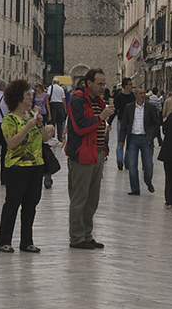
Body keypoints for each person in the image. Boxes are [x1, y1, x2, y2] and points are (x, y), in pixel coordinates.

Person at [0, 80, 54, 253]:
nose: (31, 97)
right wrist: (27, 127)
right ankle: (4, 241)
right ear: (19, 98)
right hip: (17, 167)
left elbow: (45, 138)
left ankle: (27, 241)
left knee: (30, 205)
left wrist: (40, 125)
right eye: (28, 94)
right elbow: (12, 143)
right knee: (12, 204)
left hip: (36, 166)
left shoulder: (32, 116)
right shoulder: (9, 119)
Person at [65, 69, 113, 249]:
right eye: (99, 84)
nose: (103, 87)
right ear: (89, 83)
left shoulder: (97, 102)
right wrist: (101, 117)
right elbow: (80, 128)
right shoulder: (77, 101)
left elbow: (99, 125)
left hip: (97, 153)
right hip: (82, 154)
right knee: (79, 199)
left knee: (92, 199)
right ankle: (77, 238)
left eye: (104, 84)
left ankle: (87, 234)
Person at [119, 86, 162, 195]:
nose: (143, 95)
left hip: (146, 139)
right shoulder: (129, 107)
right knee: (132, 165)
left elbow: (156, 123)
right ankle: (135, 189)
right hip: (133, 139)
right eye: (140, 93)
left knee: (148, 165)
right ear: (136, 95)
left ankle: (148, 181)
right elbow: (124, 124)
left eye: (144, 93)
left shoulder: (150, 107)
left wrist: (151, 136)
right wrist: (121, 140)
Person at [112, 77, 136, 170]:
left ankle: (127, 162)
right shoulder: (119, 97)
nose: (132, 86)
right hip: (121, 122)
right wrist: (109, 123)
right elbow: (115, 110)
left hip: (131, 123)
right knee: (120, 141)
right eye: (130, 84)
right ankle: (119, 161)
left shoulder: (133, 96)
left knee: (130, 143)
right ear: (125, 86)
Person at [46, 77, 67, 145]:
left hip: (53, 105)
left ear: (53, 82)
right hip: (60, 105)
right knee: (59, 123)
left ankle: (52, 136)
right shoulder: (61, 89)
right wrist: (65, 109)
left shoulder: (51, 87)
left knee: (53, 122)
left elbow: (48, 95)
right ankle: (60, 137)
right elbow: (63, 99)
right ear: (58, 82)